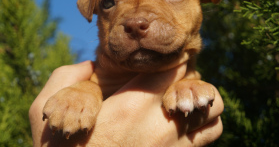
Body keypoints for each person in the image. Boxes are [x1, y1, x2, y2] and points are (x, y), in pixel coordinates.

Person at [29, 60, 224, 146]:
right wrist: (83, 90)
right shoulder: (94, 78)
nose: (137, 20)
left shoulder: (187, 83)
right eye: (109, 2)